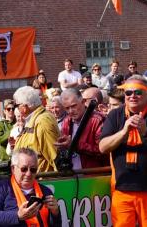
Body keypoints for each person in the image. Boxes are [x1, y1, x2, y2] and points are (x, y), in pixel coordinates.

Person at [99, 75, 147, 226]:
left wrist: (145, 132)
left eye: (138, 92)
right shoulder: (115, 115)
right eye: (128, 92)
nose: (133, 96)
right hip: (122, 190)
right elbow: (103, 147)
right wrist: (123, 132)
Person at [0, 148, 61, 227]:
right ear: (13, 169)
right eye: (24, 169)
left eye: (33, 169)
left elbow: (56, 225)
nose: (28, 174)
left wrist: (55, 213)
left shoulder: (45, 191)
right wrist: (17, 216)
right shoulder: (1, 188)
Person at [57, 88, 108, 168]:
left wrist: (75, 145)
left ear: (83, 102)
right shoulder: (66, 121)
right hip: (73, 174)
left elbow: (103, 150)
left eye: (73, 106)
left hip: (94, 174)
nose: (70, 111)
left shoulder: (98, 120)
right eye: (67, 108)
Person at [13, 86, 59, 172]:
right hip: (33, 179)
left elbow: (54, 155)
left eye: (17, 105)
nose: (16, 109)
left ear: (25, 106)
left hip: (43, 181)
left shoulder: (42, 121)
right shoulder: (33, 119)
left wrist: (62, 182)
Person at [0, 100, 16, 168]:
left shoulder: (19, 122)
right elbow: (0, 139)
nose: (11, 110)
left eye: (13, 109)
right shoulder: (0, 125)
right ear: (4, 111)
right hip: (6, 160)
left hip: (18, 160)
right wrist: (13, 130)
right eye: (8, 109)